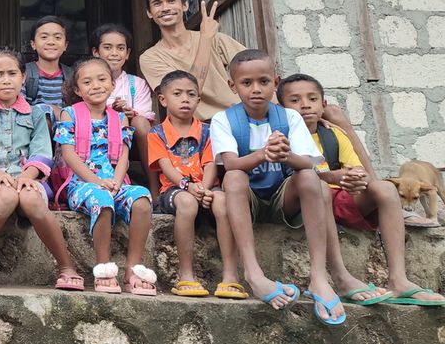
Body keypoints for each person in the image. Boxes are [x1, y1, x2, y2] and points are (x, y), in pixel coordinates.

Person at [278, 74, 445, 306]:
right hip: (306, 200)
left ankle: (399, 280)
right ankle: (340, 277)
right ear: (280, 108)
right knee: (319, 186)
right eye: (294, 100)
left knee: (385, 188)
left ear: (323, 104)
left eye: (312, 99)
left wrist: (356, 179)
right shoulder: (279, 134)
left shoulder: (334, 134)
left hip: (340, 195)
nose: (305, 105)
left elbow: (357, 170)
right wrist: (332, 176)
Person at [211, 49, 346, 326]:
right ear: (232, 86)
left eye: (263, 81)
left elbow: (307, 163)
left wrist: (284, 154)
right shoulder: (224, 120)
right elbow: (231, 164)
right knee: (233, 178)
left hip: (283, 199)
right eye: (246, 83)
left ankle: (319, 278)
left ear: (276, 81)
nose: (256, 90)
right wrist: (263, 153)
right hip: (247, 200)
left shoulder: (289, 118)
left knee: (310, 178)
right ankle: (253, 273)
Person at [0, 48, 83, 290]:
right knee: (5, 197)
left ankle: (66, 268)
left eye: (12, 73)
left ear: (23, 77)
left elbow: (42, 153)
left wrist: (26, 176)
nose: (6, 80)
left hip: (28, 177)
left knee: (32, 199)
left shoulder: (36, 113)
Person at [56, 58, 156, 295]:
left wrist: (117, 182)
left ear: (112, 85)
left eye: (102, 80)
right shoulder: (69, 114)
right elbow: (69, 156)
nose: (96, 86)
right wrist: (97, 182)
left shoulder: (119, 118)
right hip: (82, 184)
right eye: (87, 82)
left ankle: (133, 267)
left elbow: (123, 155)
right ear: (78, 90)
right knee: (102, 200)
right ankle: (104, 268)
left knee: (141, 199)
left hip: (114, 181)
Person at [147, 70, 244, 299]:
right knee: (187, 202)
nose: (185, 99)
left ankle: (231, 275)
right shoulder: (157, 133)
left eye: (191, 94)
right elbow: (165, 166)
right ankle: (186, 274)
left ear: (199, 100)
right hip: (174, 190)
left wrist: (206, 189)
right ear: (163, 99)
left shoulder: (208, 131)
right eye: (178, 94)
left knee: (222, 200)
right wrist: (187, 186)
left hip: (207, 189)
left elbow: (210, 163)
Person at [138, 0, 245, 120]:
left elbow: (258, 71)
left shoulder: (217, 39)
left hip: (238, 117)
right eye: (157, 3)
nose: (165, 8)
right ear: (149, 13)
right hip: (198, 128)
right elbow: (189, 91)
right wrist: (205, 39)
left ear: (185, 5)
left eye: (171, 1)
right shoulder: (150, 57)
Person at [92, 23, 158, 200]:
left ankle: (155, 190)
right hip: (94, 136)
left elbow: (146, 118)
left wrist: (129, 114)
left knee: (140, 122)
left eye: (120, 48)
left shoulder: (136, 84)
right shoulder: (87, 80)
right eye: (107, 47)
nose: (114, 53)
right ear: (95, 52)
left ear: (127, 54)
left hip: (131, 141)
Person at [23, 16, 72, 119]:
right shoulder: (24, 73)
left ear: (65, 45)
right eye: (44, 37)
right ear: (33, 44)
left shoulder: (72, 76)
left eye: (57, 37)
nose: (51, 42)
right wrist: (51, 109)